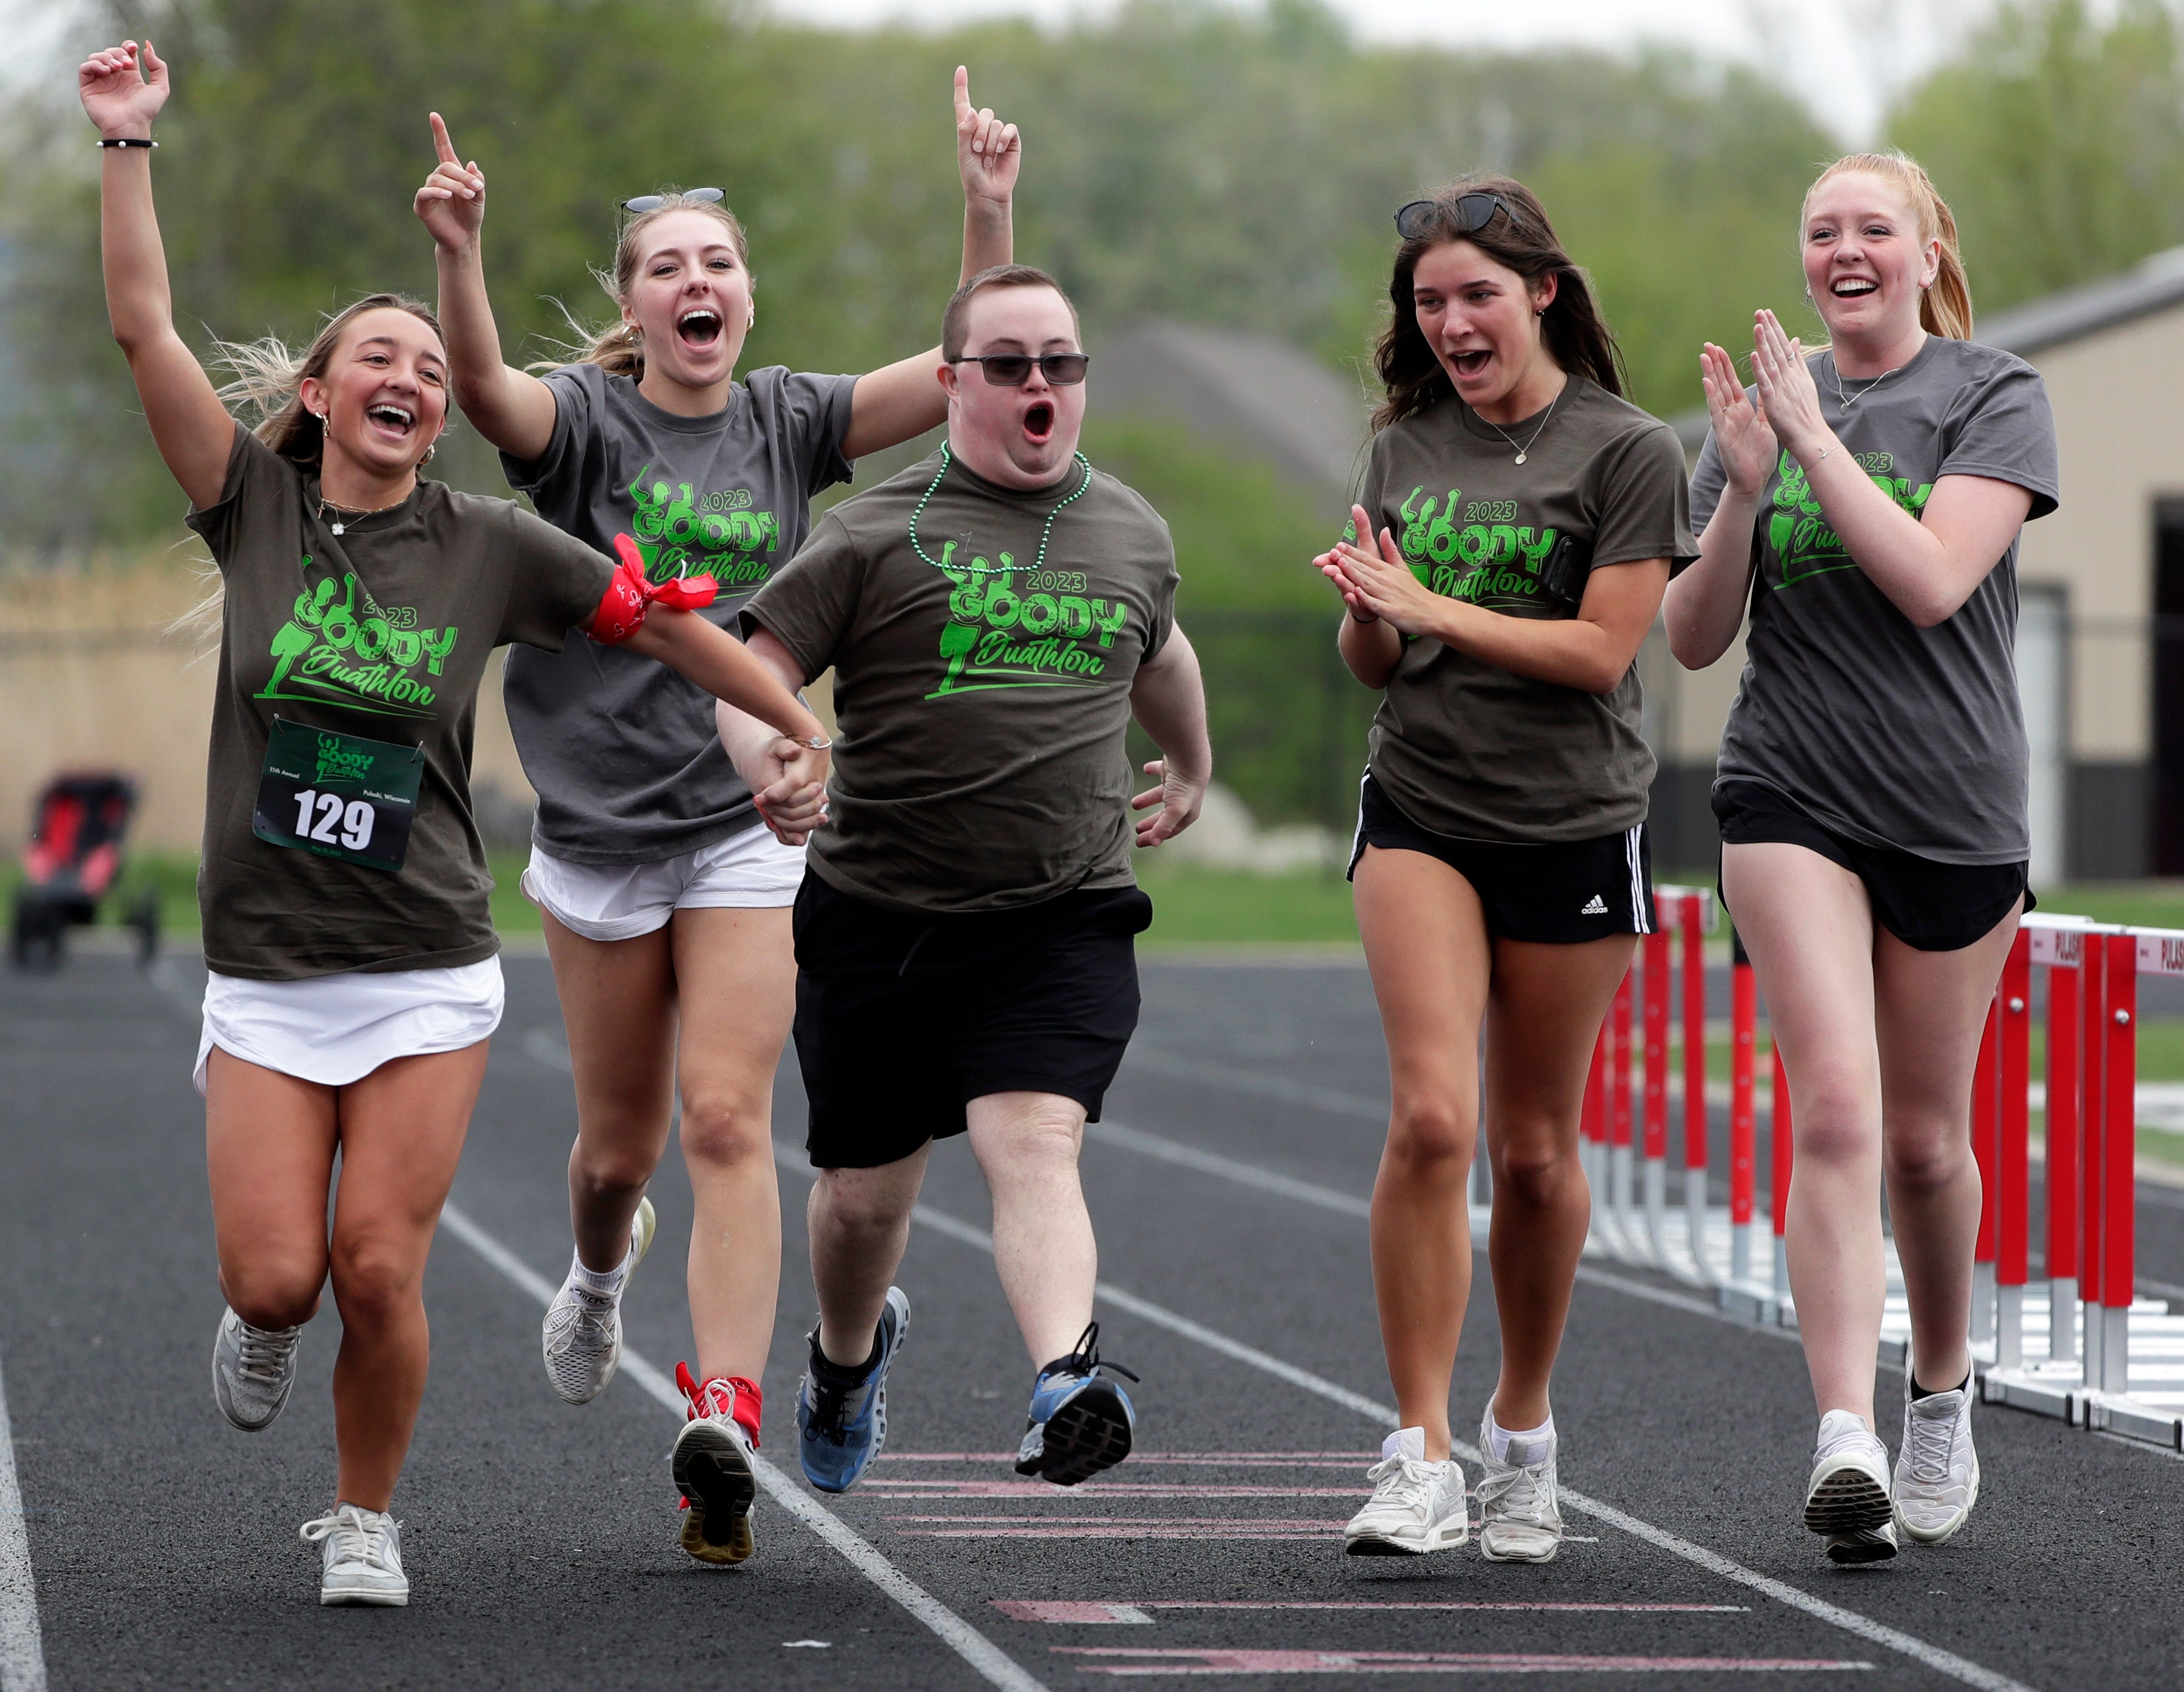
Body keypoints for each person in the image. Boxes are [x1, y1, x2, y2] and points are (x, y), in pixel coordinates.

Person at [80, 39, 830, 1607]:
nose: (412, 380)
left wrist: (790, 719)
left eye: (429, 370)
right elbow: (143, 323)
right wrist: (128, 146)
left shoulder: (488, 543)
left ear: (436, 414)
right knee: (277, 1277)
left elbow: (657, 618)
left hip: (424, 958)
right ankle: (264, 1323)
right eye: (380, 359)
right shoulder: (253, 508)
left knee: (378, 1264)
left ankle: (364, 1516)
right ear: (320, 395)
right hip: (270, 965)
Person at [413, 72, 1020, 1567]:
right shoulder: (582, 426)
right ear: (634, 306)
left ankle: (724, 1416)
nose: (699, 281)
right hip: (596, 827)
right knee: (616, 1155)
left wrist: (986, 207)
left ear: (744, 297)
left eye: (719, 262)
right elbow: (484, 392)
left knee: (731, 1117)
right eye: (668, 265)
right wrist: (459, 253)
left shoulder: (791, 418)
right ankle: (596, 1274)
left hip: (747, 822)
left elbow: (965, 368)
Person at [724, 262, 1211, 1496]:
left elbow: (1160, 650)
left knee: (1034, 1139)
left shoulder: (1130, 527)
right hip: (880, 915)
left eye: (1061, 361)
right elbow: (752, 663)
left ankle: (1065, 1379)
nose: (1040, 382)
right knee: (862, 1203)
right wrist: (773, 755)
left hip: (1060, 910)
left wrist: (1195, 762)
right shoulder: (873, 531)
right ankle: (845, 1361)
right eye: (1009, 363)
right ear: (952, 383)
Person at [1666, 151, 2057, 1565]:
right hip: (1789, 792)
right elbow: (1691, 637)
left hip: (1952, 808)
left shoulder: (1991, 393)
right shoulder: (1754, 415)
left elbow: (1934, 579)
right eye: (1820, 229)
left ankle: (1935, 1386)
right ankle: (1842, 1431)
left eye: (1870, 228)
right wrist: (1738, 488)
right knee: (1833, 1107)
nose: (1843, 249)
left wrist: (1812, 447)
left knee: (1921, 1140)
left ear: (1921, 249)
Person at [1315, 178, 1696, 1563]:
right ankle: (1415, 1448)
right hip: (1422, 808)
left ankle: (1519, 1436)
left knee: (1532, 1152)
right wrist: (1371, 613)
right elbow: (1377, 658)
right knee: (1431, 1119)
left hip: (1572, 822)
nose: (1451, 322)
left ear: (1540, 292)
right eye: (1429, 303)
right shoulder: (1400, 447)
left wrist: (1430, 603)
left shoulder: (1627, 450)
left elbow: (1602, 652)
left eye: (1476, 294)